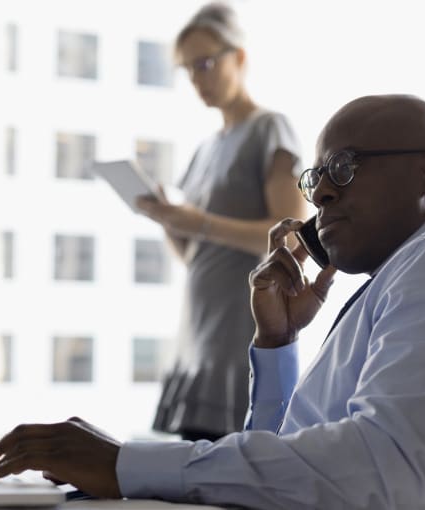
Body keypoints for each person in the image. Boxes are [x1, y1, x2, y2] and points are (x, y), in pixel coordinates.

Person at [0, 94, 425, 509]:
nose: (321, 193)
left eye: (344, 167)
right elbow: (282, 477)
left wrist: (125, 463)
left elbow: (382, 468)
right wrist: (278, 345)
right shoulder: (402, 278)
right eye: (316, 177)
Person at [134, 2, 306, 442]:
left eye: (206, 63)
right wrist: (167, 220)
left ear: (240, 58)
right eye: (189, 69)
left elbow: (289, 237)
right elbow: (194, 255)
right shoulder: (206, 148)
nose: (197, 78)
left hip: (238, 326)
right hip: (199, 329)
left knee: (230, 462)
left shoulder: (270, 128)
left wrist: (199, 221)